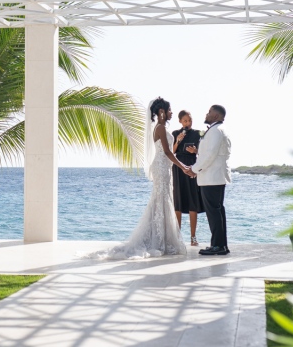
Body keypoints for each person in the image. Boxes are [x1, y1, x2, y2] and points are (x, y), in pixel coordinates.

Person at [91, 97, 187, 259]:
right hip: (161, 167)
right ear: (161, 111)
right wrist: (183, 167)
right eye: (169, 110)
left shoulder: (161, 127)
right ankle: (158, 239)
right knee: (161, 199)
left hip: (164, 167)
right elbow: (167, 152)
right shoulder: (161, 128)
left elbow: (169, 151)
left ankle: (161, 237)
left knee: (162, 199)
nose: (171, 112)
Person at [183, 104, 231, 256]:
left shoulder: (215, 131)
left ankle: (217, 245)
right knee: (217, 211)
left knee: (214, 212)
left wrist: (194, 169)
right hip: (214, 177)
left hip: (212, 178)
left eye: (209, 112)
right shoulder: (217, 130)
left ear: (216, 116)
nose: (207, 113)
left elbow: (209, 155)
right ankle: (221, 245)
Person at [171, 110, 204, 245]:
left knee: (192, 201)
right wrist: (178, 141)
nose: (188, 123)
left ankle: (193, 237)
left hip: (191, 166)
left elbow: (204, 152)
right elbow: (171, 151)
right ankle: (178, 238)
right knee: (178, 201)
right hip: (178, 168)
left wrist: (195, 151)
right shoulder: (174, 134)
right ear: (180, 121)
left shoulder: (198, 134)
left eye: (190, 120)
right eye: (185, 121)